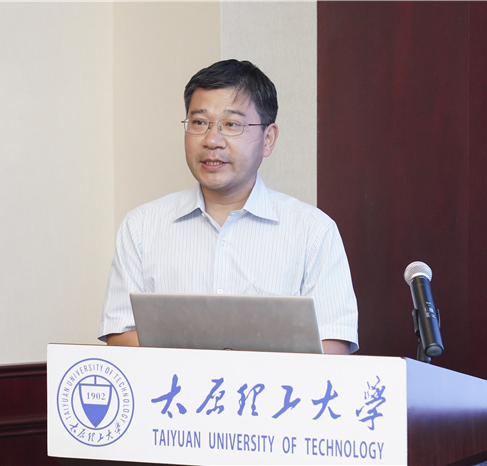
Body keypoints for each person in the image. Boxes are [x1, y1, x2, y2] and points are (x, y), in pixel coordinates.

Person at [99, 59, 358, 354]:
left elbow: (333, 345)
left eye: (232, 124)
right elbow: (120, 336)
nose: (212, 140)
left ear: (268, 139)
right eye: (199, 123)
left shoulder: (313, 231)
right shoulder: (142, 227)